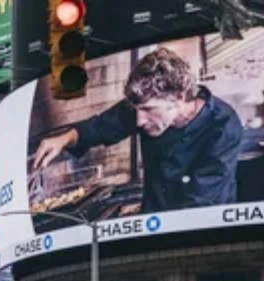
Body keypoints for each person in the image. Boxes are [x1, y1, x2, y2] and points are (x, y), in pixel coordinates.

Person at [33, 47, 243, 214]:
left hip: (204, 229)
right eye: (137, 111)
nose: (140, 121)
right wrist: (62, 140)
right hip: (155, 217)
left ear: (179, 98)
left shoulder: (223, 126)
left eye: (148, 110)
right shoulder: (142, 108)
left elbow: (200, 202)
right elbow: (99, 127)